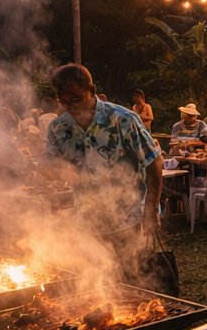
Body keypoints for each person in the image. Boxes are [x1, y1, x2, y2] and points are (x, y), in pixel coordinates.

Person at [43, 63, 162, 235]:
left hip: (126, 220)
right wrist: (48, 167)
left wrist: (152, 210)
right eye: (64, 101)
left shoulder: (123, 120)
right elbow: (51, 161)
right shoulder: (58, 128)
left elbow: (155, 162)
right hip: (85, 222)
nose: (71, 107)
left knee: (129, 263)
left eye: (77, 99)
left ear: (92, 90)